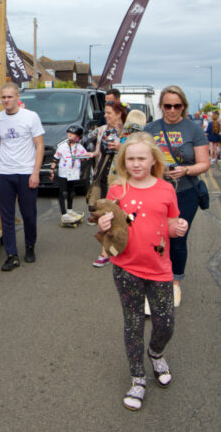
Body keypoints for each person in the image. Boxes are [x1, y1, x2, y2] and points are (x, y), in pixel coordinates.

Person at [97, 132, 188, 411]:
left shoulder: (166, 189)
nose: (136, 164)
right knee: (133, 323)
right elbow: (108, 230)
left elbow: (169, 226)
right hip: (126, 268)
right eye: (131, 158)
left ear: (153, 161)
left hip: (160, 269)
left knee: (165, 323)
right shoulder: (117, 190)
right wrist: (102, 226)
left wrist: (179, 227)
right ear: (124, 161)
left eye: (142, 158)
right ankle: (137, 378)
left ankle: (156, 352)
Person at [144, 85, 209, 306]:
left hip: (185, 192)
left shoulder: (194, 129)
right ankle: (157, 278)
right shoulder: (150, 128)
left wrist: (186, 170)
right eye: (167, 106)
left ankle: (175, 282)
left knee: (178, 237)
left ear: (184, 106)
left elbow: (204, 163)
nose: (172, 110)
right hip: (155, 192)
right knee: (156, 237)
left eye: (177, 106)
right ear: (161, 106)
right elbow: (139, 157)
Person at [0, 82, 45, 271]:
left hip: (26, 172)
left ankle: (30, 246)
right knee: (7, 216)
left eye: (9, 97)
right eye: (3, 97)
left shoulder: (31, 117)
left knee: (29, 214)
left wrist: (35, 172)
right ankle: (11, 255)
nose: (6, 100)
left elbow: (39, 146)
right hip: (5, 172)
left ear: (17, 97)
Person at [90, 100, 127, 267]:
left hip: (121, 180)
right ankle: (106, 252)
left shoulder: (128, 132)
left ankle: (121, 247)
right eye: (105, 113)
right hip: (105, 177)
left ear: (119, 113)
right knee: (105, 215)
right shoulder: (106, 131)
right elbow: (101, 153)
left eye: (109, 113)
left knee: (124, 216)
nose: (105, 116)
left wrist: (122, 146)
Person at [49, 124, 92, 225]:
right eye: (69, 133)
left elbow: (85, 155)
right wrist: (51, 169)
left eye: (72, 134)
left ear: (78, 137)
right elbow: (56, 158)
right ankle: (64, 214)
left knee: (71, 193)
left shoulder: (79, 147)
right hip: (63, 173)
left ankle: (70, 210)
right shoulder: (62, 147)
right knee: (63, 193)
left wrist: (89, 155)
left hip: (73, 173)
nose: (70, 135)